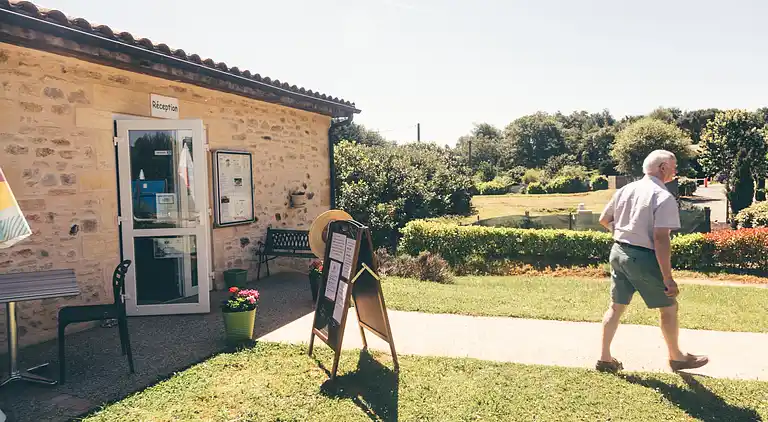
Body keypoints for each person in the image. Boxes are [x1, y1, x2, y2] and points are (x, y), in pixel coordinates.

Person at [596, 150, 708, 373]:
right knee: (669, 306)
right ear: (663, 167)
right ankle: (676, 358)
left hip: (618, 251)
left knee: (616, 307)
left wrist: (626, 234)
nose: (676, 172)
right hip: (642, 257)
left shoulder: (626, 189)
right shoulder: (663, 196)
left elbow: (604, 219)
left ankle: (605, 359)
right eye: (674, 167)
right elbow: (661, 238)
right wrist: (668, 278)